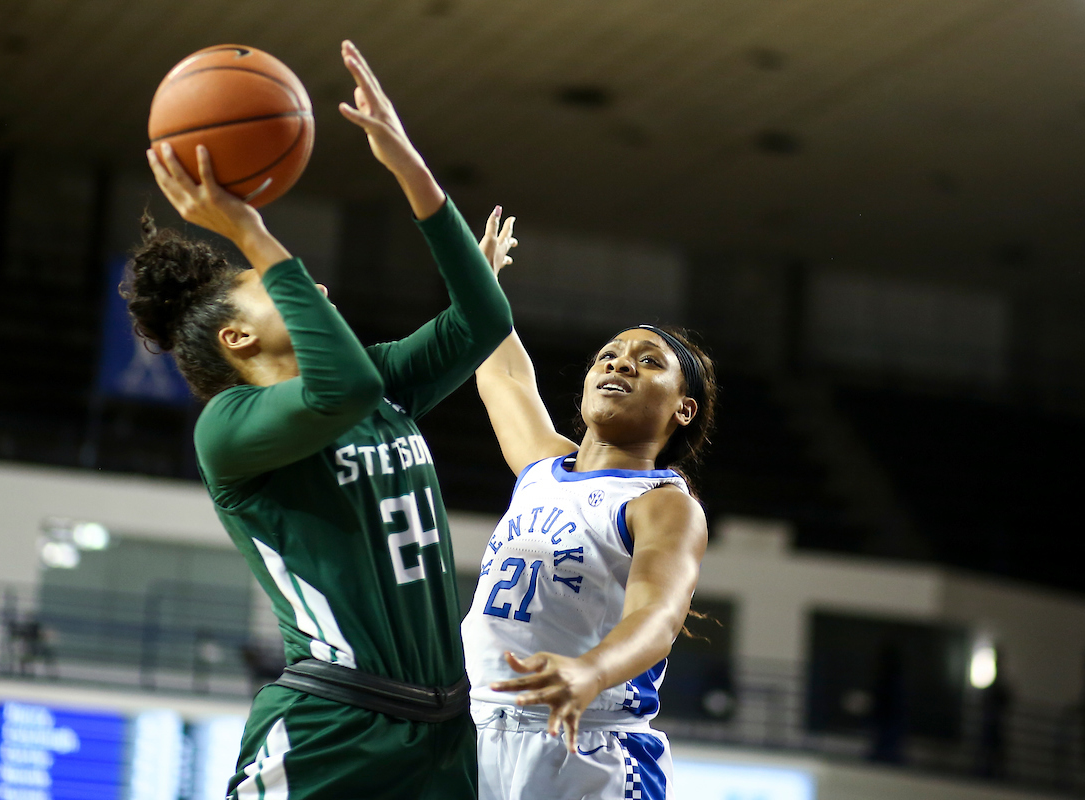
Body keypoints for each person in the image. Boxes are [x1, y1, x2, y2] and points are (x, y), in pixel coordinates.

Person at [124, 40, 513, 799]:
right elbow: (341, 390)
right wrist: (249, 233)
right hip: (331, 729)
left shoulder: (376, 388)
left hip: (442, 735)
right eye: (273, 281)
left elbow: (485, 318)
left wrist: (410, 168)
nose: (307, 280)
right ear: (236, 338)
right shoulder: (229, 429)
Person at [460, 243, 718, 799]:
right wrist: (478, 281)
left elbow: (659, 616)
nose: (620, 362)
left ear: (683, 408)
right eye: (609, 355)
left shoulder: (664, 504)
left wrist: (592, 671)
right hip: (476, 733)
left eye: (649, 362)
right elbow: (504, 376)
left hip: (590, 747)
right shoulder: (540, 467)